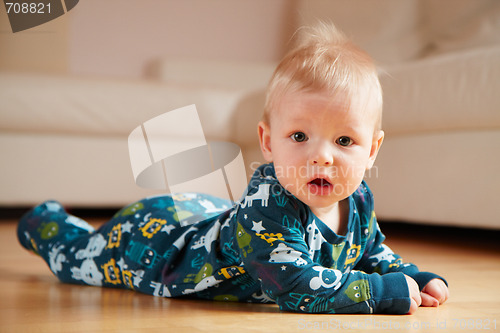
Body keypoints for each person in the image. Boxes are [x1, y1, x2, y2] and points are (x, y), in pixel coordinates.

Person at [17, 22, 448, 314]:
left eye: (344, 141)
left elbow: (369, 252)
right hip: (157, 250)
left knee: (225, 220)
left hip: (208, 215)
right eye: (299, 137)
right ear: (267, 142)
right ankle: (47, 222)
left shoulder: (358, 200)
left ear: (372, 150)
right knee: (80, 258)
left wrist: (407, 275)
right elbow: (293, 284)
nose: (322, 156)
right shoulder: (267, 207)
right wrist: (377, 293)